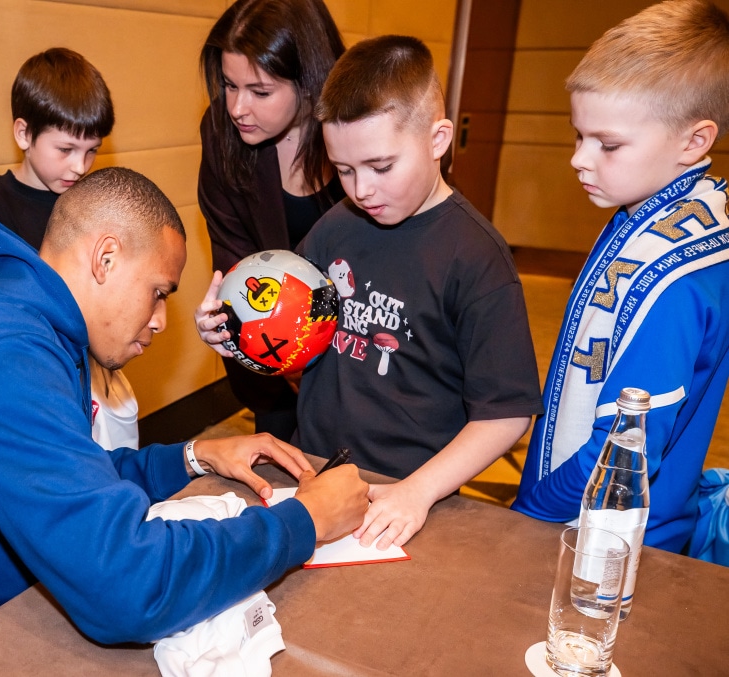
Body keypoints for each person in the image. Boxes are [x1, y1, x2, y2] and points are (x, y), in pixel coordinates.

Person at [0, 168, 369, 676]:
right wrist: (306, 521)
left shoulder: (18, 316)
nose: (162, 320)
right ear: (105, 257)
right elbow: (127, 585)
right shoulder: (6, 357)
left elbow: (66, 475)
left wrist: (191, 457)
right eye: (159, 292)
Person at [198, 35, 543, 549]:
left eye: (381, 167)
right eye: (343, 170)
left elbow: (507, 411)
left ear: (438, 138)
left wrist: (417, 492)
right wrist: (236, 337)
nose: (362, 190)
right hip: (315, 469)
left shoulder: (476, 258)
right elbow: (292, 337)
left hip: (411, 490)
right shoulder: (337, 227)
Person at [512, 0, 729, 555]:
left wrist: (529, 512)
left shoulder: (676, 278)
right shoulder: (653, 214)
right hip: (581, 514)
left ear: (694, 141)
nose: (580, 160)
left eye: (607, 145)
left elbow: (621, 454)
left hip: (614, 544)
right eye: (578, 135)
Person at [0, 47, 137, 449]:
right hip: (23, 381)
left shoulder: (94, 201)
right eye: (65, 150)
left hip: (88, 375)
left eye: (92, 150)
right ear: (24, 133)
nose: (80, 166)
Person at [197, 0, 346, 441]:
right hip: (271, 355)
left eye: (260, 92)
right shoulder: (221, 132)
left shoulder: (359, 129)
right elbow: (232, 250)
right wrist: (227, 317)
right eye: (229, 85)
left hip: (357, 354)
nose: (238, 108)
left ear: (309, 82)